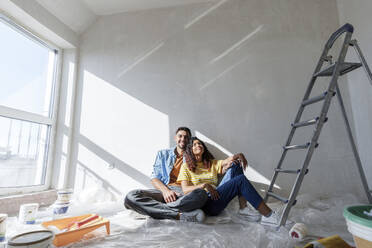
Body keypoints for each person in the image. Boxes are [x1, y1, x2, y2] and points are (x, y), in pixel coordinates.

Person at [177, 136, 279, 225]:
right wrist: (204, 185)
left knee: (235, 164)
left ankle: (243, 209)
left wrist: (239, 155)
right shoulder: (186, 167)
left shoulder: (210, 163)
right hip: (207, 203)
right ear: (190, 149)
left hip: (217, 195)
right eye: (194, 144)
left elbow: (227, 161)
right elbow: (185, 190)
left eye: (199, 143)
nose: (198, 145)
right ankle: (269, 216)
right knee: (240, 180)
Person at [124, 127, 208, 222]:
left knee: (202, 194)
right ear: (175, 138)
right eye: (180, 136)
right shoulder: (163, 154)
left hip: (184, 194)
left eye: (186, 137)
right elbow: (154, 177)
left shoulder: (194, 156)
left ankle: (151, 209)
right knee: (131, 196)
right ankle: (177, 215)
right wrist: (166, 191)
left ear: (189, 140)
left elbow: (215, 164)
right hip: (164, 190)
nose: (183, 139)